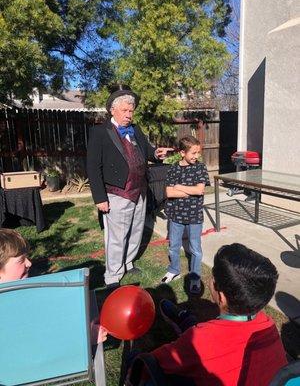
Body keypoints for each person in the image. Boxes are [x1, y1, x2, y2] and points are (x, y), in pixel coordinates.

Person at [147, 243, 287, 386]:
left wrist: (139, 362)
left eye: (213, 277)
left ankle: (184, 321)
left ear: (222, 297)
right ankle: (184, 318)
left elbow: (156, 360)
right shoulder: (268, 325)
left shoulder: (202, 339)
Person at [87, 85, 173, 288]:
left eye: (131, 111)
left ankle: (128, 262)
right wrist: (100, 198)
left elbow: (146, 150)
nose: (128, 115)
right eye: (125, 110)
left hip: (140, 191)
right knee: (116, 237)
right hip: (117, 192)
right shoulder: (100, 132)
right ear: (112, 110)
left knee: (136, 230)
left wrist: (156, 154)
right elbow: (92, 167)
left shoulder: (136, 130)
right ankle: (112, 276)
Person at [0, 228, 107, 344]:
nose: (29, 263)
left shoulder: (20, 295)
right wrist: (85, 338)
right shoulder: (13, 314)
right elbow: (40, 346)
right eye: (21, 260)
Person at [161, 135, 210, 294]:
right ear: (182, 152)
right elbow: (169, 192)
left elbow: (200, 190)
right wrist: (190, 191)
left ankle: (195, 278)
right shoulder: (173, 168)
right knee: (174, 246)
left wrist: (180, 187)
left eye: (198, 153)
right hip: (176, 216)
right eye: (193, 153)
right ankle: (174, 269)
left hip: (194, 216)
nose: (196, 156)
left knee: (195, 248)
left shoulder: (200, 168)